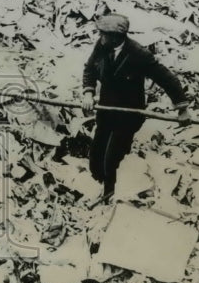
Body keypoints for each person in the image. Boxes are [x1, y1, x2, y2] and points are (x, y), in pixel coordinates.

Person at [81, 14, 191, 201]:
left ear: (116, 36)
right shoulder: (102, 45)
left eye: (103, 34)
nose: (100, 37)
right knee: (96, 155)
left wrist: (182, 108)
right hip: (106, 109)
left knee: (112, 157)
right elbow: (90, 68)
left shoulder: (139, 54)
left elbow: (166, 79)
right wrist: (88, 93)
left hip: (128, 114)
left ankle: (110, 192)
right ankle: (100, 183)